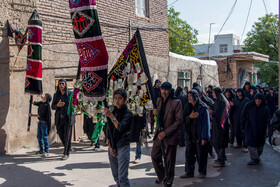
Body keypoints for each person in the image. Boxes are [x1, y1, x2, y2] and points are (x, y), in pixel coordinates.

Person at [151, 82, 183, 186]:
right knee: (154, 155)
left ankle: (168, 181)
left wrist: (166, 132)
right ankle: (162, 175)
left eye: (165, 90)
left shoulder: (176, 102)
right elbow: (157, 117)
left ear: (170, 91)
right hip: (159, 134)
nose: (163, 92)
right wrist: (154, 113)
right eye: (162, 89)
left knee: (169, 161)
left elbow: (179, 121)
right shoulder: (159, 100)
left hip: (170, 135)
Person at [104, 89, 133, 187]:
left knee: (122, 178)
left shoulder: (128, 113)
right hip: (112, 146)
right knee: (116, 176)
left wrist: (111, 116)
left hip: (123, 146)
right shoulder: (113, 111)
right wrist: (110, 146)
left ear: (125, 100)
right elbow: (108, 130)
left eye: (120, 98)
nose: (117, 101)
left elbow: (120, 127)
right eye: (115, 98)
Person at [180, 89, 211, 179]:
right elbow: (183, 120)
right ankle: (189, 172)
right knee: (189, 154)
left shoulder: (202, 107)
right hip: (190, 135)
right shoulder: (187, 107)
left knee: (201, 155)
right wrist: (190, 117)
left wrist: (204, 138)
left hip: (199, 135)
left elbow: (206, 124)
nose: (189, 98)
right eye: (188, 96)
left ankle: (202, 171)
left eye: (191, 96)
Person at [241, 93, 270, 165]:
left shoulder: (265, 108)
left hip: (261, 129)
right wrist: (242, 126)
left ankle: (256, 157)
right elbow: (243, 116)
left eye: (259, 100)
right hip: (250, 128)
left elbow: (268, 120)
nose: (258, 101)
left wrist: (268, 130)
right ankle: (254, 159)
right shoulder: (249, 106)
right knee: (251, 144)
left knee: (260, 145)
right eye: (256, 99)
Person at [51, 79, 74, 160]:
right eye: (60, 83)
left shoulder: (70, 94)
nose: (61, 85)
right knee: (61, 135)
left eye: (63, 83)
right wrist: (57, 105)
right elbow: (52, 106)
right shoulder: (56, 95)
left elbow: (74, 103)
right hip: (59, 119)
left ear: (65, 85)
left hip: (68, 118)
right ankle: (68, 147)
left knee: (67, 136)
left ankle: (66, 153)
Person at [210, 87, 230, 167]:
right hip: (217, 125)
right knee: (216, 142)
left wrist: (212, 112)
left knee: (220, 143)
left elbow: (220, 114)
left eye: (213, 93)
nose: (212, 94)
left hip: (221, 126)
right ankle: (220, 158)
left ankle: (221, 160)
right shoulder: (218, 101)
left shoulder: (222, 102)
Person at [29, 93, 52, 157]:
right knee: (39, 136)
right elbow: (33, 103)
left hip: (44, 123)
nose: (43, 95)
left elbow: (40, 115)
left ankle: (46, 151)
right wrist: (32, 94)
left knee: (44, 137)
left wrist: (32, 115)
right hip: (40, 122)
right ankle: (41, 150)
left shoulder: (46, 106)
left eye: (45, 95)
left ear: (46, 98)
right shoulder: (41, 103)